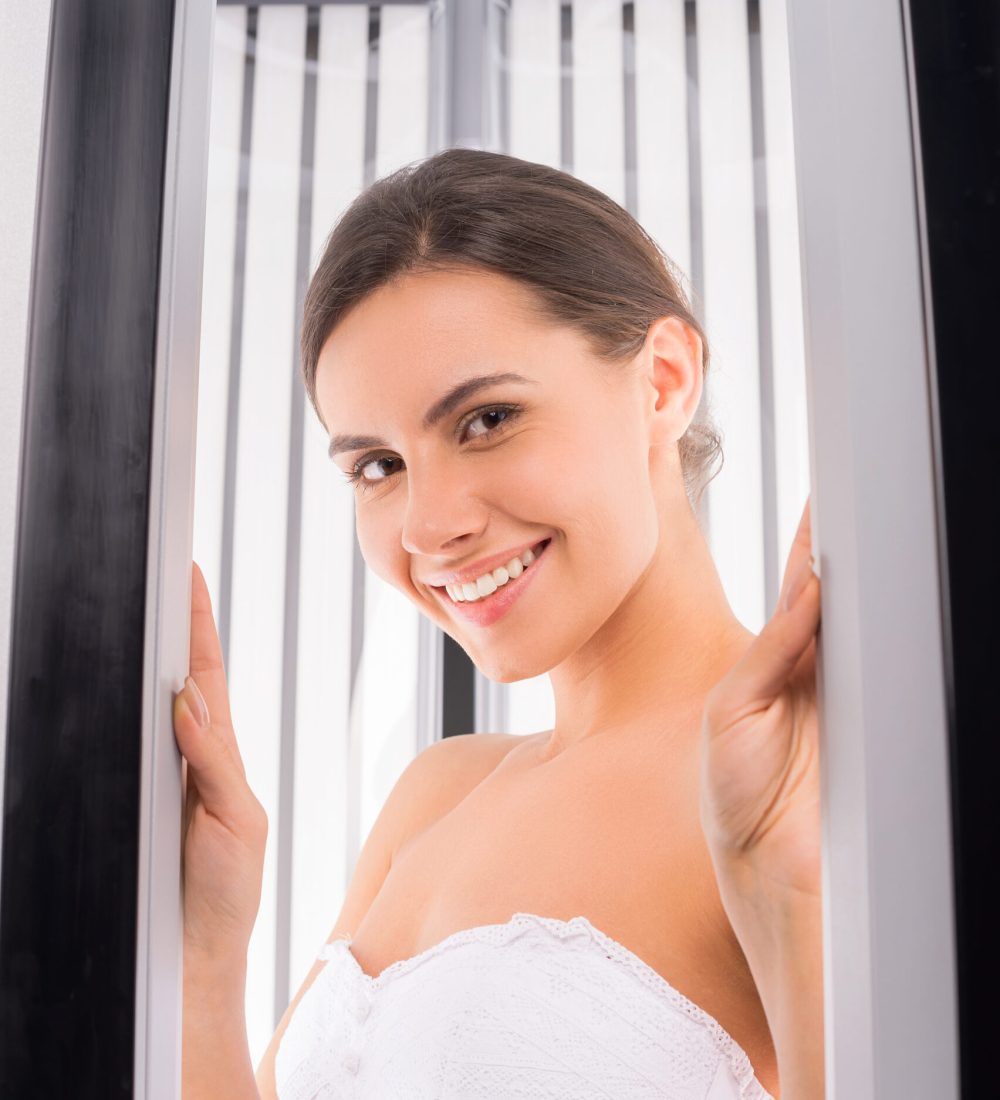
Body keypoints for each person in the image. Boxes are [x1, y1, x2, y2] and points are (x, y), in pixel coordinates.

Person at [174, 149, 823, 1099]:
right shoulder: (432, 798)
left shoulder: (801, 775)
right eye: (377, 467)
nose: (430, 526)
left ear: (664, 381)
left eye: (487, 420)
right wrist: (201, 962)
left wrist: (796, 906)